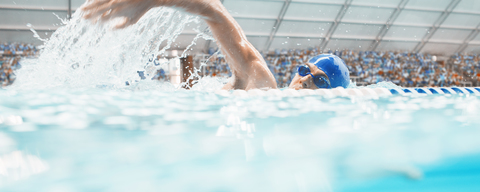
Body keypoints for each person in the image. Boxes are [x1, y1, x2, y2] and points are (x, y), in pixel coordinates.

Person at [81, 0, 349, 90]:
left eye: (321, 80)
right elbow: (216, 13)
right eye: (304, 70)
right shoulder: (264, 85)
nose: (304, 80)